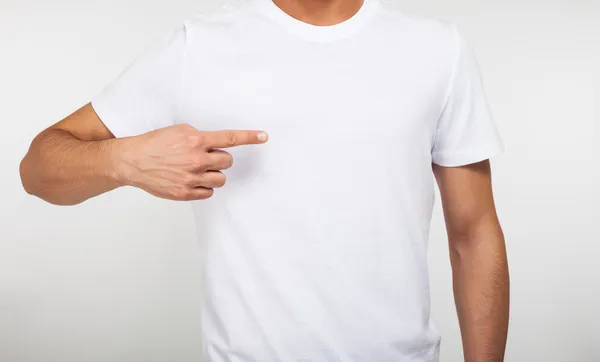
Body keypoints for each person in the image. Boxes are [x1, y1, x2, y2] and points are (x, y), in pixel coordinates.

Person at [19, 0, 510, 361]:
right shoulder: (199, 46)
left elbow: (474, 234)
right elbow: (38, 169)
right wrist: (123, 160)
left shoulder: (437, 49)